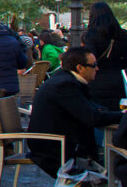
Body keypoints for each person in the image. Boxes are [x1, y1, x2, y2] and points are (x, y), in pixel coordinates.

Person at [27, 46, 124, 178]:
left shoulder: (66, 80)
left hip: (60, 142)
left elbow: (90, 109)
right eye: (94, 65)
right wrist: (122, 116)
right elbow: (92, 116)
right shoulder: (65, 85)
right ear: (80, 68)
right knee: (115, 167)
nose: (97, 68)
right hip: (54, 150)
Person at [83, 2, 127, 112]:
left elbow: (90, 58)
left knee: (99, 114)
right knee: (116, 114)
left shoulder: (90, 36)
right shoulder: (122, 35)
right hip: (117, 79)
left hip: (97, 79)